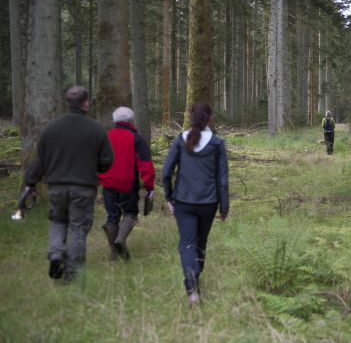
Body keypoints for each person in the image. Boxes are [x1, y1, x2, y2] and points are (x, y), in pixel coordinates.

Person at [25, 85, 114, 283]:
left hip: (56, 187)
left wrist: (30, 183)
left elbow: (40, 160)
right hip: (83, 187)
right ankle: (72, 274)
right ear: (86, 103)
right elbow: (108, 160)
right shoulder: (96, 129)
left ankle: (56, 254)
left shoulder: (51, 128)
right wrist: (95, 169)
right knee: (78, 228)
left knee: (58, 221)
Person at [162, 103, 229, 305]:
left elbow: (166, 173)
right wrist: (224, 207)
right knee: (200, 243)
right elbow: (222, 180)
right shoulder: (217, 144)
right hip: (208, 204)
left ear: (190, 117)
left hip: (183, 202)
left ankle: (192, 289)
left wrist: (169, 197)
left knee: (187, 244)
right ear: (210, 118)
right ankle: (193, 284)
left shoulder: (179, 141)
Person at [99, 107, 155, 261]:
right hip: (128, 184)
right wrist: (149, 186)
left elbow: (98, 160)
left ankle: (114, 254)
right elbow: (145, 165)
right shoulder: (136, 138)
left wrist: (100, 178)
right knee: (130, 214)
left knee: (112, 217)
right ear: (130, 121)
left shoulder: (106, 136)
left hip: (108, 184)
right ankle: (120, 239)